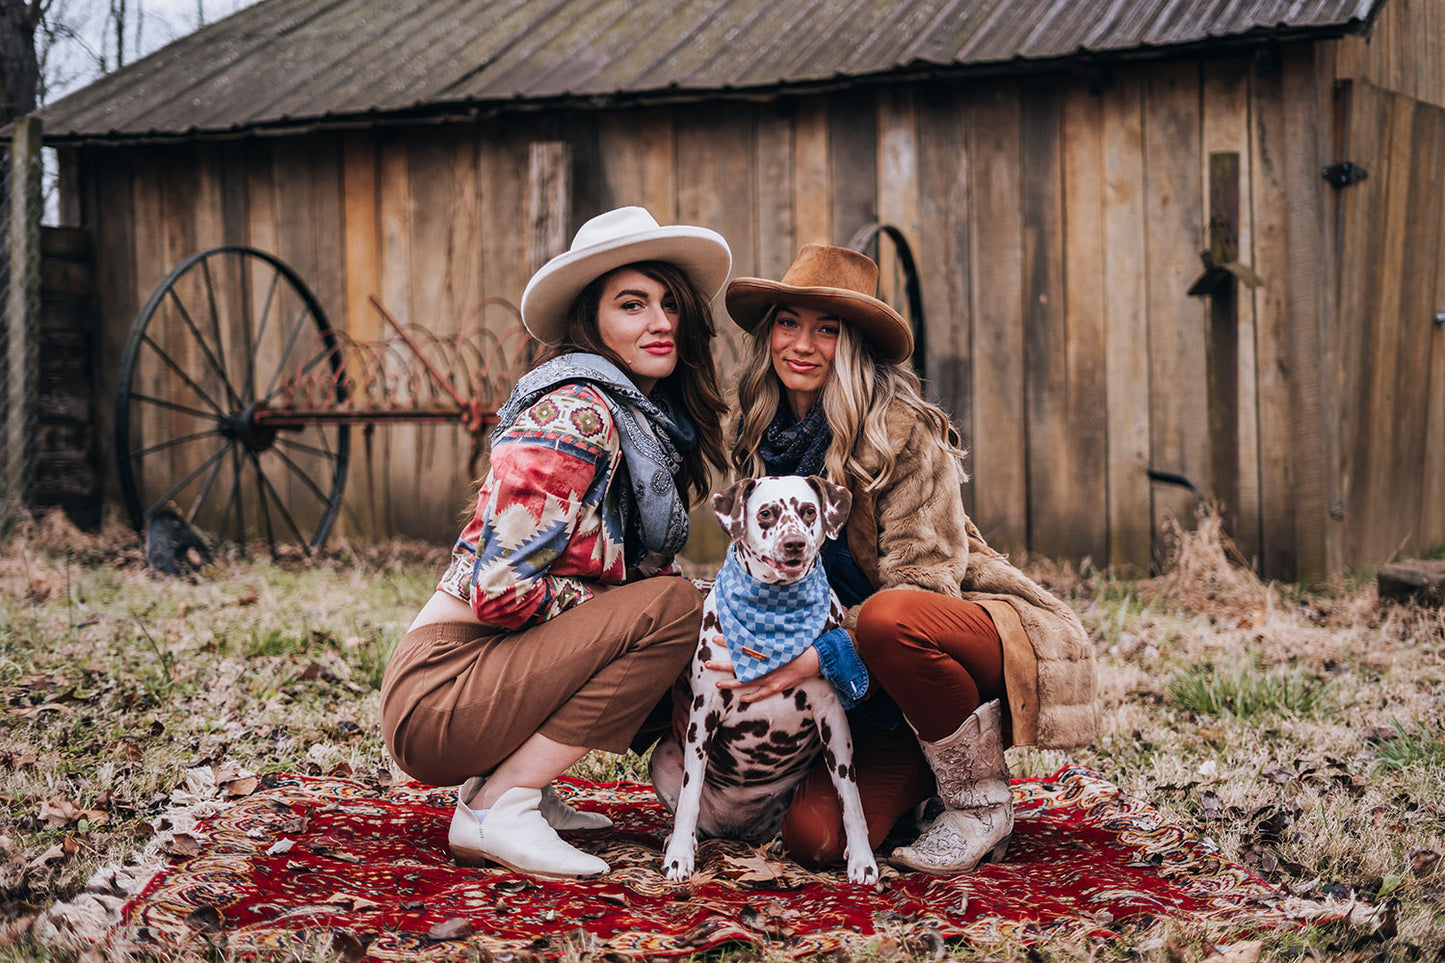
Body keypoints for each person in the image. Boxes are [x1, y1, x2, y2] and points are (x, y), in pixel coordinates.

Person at [718, 243, 1100, 874]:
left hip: (947, 639)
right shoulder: (762, 436)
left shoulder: (901, 432)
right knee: (814, 841)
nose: (802, 345)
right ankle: (922, 778)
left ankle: (979, 802)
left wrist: (817, 651)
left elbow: (926, 586)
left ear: (857, 344)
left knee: (889, 616)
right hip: (868, 697)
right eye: (789, 323)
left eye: (827, 330)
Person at [380, 206, 732, 878]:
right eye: (631, 305)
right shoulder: (575, 412)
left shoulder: (640, 423)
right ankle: (496, 807)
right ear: (589, 320)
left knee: (689, 617)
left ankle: (526, 787)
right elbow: (497, 584)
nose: (659, 321)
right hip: (439, 690)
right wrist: (642, 606)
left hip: (481, 682)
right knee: (674, 607)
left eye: (668, 303)